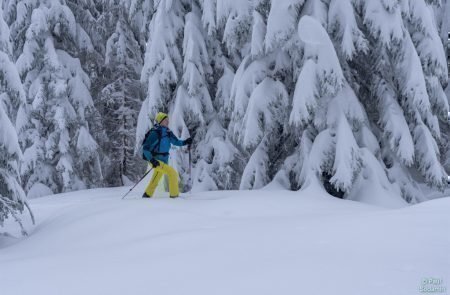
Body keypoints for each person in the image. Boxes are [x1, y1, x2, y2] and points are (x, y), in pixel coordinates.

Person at [142, 112, 192, 198]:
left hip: (164, 160)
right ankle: (174, 196)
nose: (168, 121)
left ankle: (147, 195)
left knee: (156, 178)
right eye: (165, 120)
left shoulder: (168, 132)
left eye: (168, 120)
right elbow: (145, 149)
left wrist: (185, 142)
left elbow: (176, 142)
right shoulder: (154, 133)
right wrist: (152, 160)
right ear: (160, 121)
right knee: (172, 173)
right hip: (155, 160)